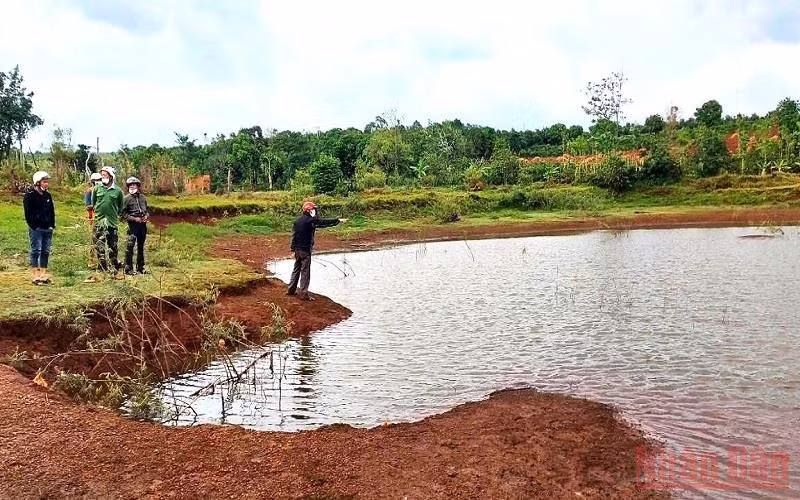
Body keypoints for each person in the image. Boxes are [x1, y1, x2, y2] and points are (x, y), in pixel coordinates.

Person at [287, 201, 348, 300]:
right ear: (309, 210)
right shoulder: (311, 221)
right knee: (305, 272)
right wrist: (338, 221)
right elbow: (323, 222)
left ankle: (290, 290)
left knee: (296, 269)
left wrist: (293, 248)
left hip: (297, 250)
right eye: (314, 209)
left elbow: (294, 235)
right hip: (305, 250)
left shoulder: (298, 221)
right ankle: (303, 294)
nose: (315, 211)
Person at [87, 166, 124, 281]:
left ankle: (114, 271)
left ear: (111, 176)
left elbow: (120, 207)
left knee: (113, 247)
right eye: (102, 175)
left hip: (111, 223)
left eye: (105, 175)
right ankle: (103, 269)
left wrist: (112, 215)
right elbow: (93, 203)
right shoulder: (97, 189)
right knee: (99, 247)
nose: (103, 177)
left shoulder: (118, 191)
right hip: (99, 222)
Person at [23, 171, 55, 285]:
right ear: (37, 182)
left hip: (48, 228)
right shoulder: (29, 196)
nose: (46, 184)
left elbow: (51, 211)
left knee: (45, 251)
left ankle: (43, 274)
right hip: (36, 228)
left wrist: (52, 225)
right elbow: (28, 214)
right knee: (36, 250)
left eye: (47, 182)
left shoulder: (48, 195)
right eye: (44, 181)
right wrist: (34, 226)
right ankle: (35, 275)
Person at [121, 176, 149, 275]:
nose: (133, 187)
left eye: (134, 185)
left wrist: (146, 216)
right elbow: (122, 213)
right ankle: (128, 268)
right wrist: (133, 219)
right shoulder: (126, 199)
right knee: (130, 246)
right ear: (128, 187)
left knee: (141, 246)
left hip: (142, 225)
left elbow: (147, 210)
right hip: (132, 225)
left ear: (138, 186)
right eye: (130, 185)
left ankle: (140, 267)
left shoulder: (143, 198)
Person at [85, 172, 102, 268]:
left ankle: (101, 260)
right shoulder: (89, 191)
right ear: (92, 182)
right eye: (96, 181)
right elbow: (88, 206)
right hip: (92, 219)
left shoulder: (103, 190)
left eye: (99, 180)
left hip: (102, 219)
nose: (98, 182)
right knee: (93, 241)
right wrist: (97, 205)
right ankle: (91, 261)